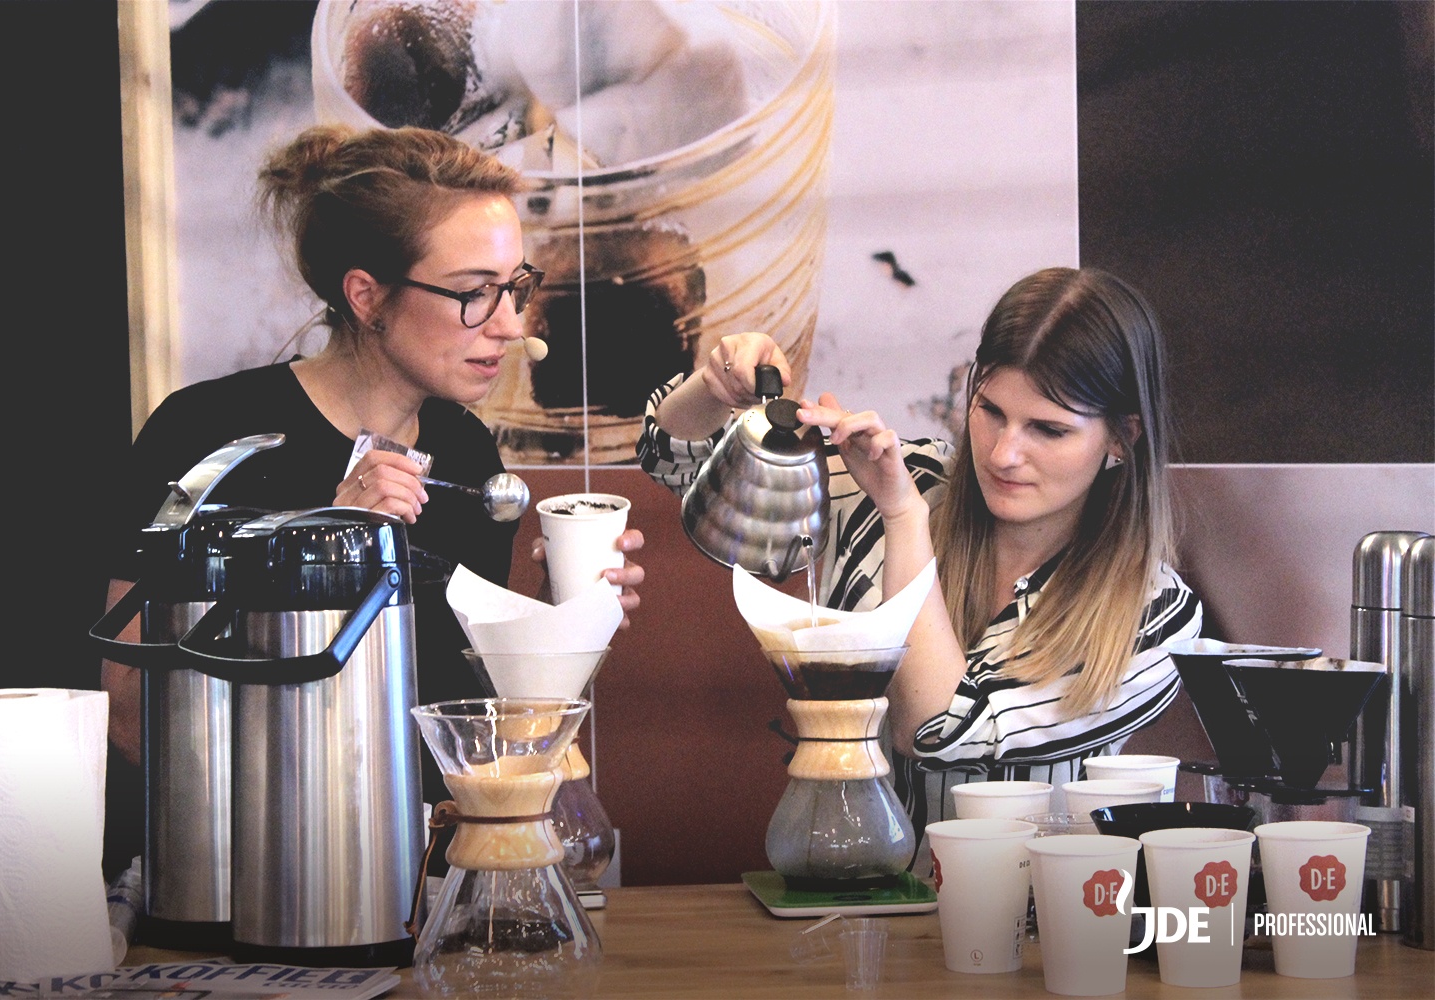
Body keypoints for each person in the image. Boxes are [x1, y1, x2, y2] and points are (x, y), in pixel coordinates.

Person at [100, 125, 645, 874]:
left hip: (428, 881)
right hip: (248, 884)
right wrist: (322, 551)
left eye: (515, 287)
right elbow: (130, 714)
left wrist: (557, 614)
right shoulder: (209, 436)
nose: (511, 326)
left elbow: (481, 731)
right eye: (472, 294)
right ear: (367, 297)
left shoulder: (466, 455)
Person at [638, 266, 1201, 844]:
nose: (1005, 454)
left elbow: (936, 732)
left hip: (1035, 920)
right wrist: (716, 385)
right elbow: (676, 461)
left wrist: (904, 517)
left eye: (1048, 430)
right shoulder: (909, 476)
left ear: (1121, 437)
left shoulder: (1154, 617)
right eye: (991, 412)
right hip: (848, 894)